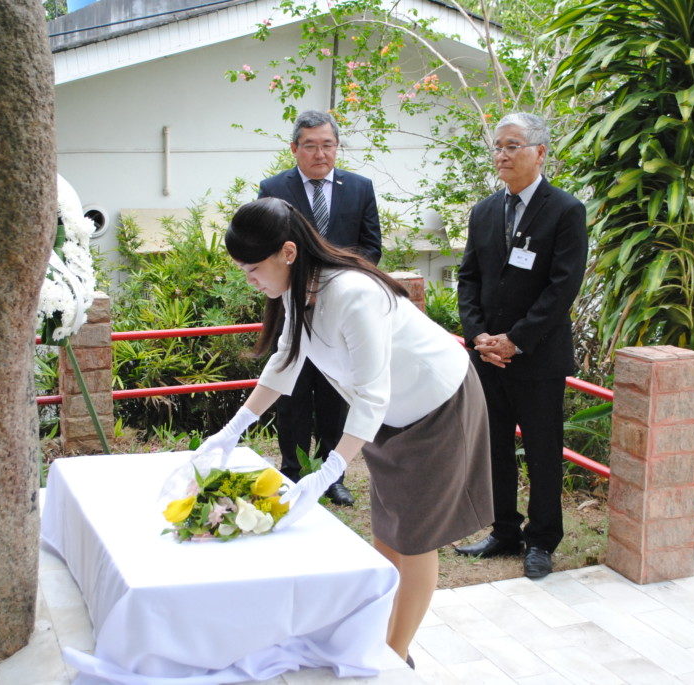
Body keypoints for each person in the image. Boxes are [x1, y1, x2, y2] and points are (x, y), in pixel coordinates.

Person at [198, 197, 492, 664]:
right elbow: (286, 360)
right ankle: (375, 633)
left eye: (252, 268)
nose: (248, 279)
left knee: (415, 537)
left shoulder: (352, 293)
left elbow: (373, 392)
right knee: (387, 531)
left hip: (436, 405)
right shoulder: (298, 289)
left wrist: (334, 465)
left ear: (288, 253)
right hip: (388, 414)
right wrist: (234, 428)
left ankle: (395, 655)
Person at [453, 112, 588, 580]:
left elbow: (562, 287)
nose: (502, 155)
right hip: (488, 356)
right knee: (494, 449)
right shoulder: (485, 210)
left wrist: (517, 340)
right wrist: (479, 337)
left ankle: (542, 539)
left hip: (538, 357)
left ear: (539, 153)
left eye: (513, 145)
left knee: (542, 450)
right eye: (498, 146)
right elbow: (468, 278)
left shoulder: (565, 210)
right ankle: (504, 529)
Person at [257, 110, 382, 506]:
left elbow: (371, 247)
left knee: (335, 393)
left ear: (336, 147)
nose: (319, 153)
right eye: (310, 145)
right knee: (292, 392)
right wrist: (301, 283)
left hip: (341, 311)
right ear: (295, 149)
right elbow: (266, 245)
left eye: (327, 145)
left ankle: (334, 475)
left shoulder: (359, 188)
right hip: (293, 307)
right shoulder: (273, 189)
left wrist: (332, 285)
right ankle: (291, 471)